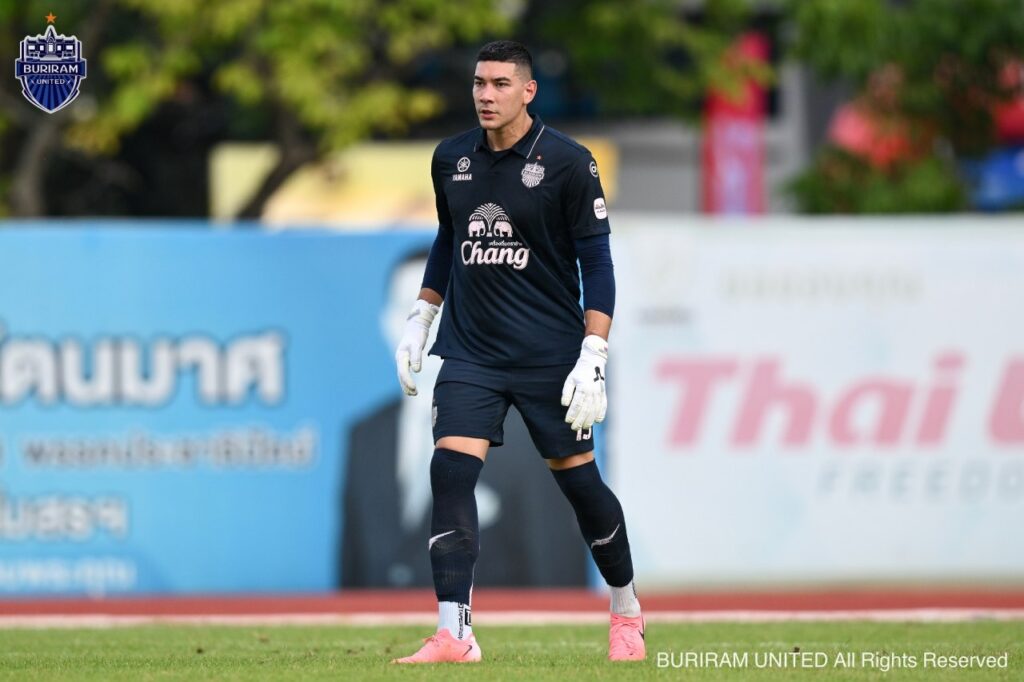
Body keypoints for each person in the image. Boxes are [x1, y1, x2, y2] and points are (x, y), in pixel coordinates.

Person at [391, 40, 644, 664]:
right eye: (479, 82)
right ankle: (455, 633)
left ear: (528, 91)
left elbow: (598, 262)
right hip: (472, 354)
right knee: (450, 472)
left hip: (548, 358)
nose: (485, 94)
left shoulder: (567, 162)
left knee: (581, 486)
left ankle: (626, 610)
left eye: (501, 84)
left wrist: (594, 352)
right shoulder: (450, 158)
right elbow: (449, 240)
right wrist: (422, 315)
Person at [340, 248, 587, 590]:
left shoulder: (526, 431)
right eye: (409, 311)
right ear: (386, 322)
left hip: (491, 639)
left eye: (440, 310)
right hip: (384, 641)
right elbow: (352, 574)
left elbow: (558, 572)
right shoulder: (365, 436)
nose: (423, 328)